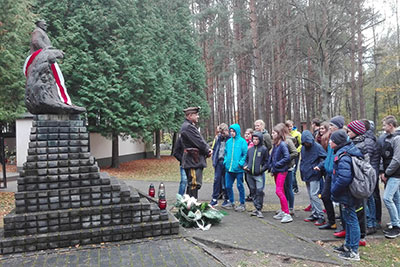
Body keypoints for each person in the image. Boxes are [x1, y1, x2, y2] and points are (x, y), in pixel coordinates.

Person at [330, 130, 363, 261]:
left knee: (351, 220)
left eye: (332, 140)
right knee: (348, 219)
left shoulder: (344, 155)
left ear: (337, 142)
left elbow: (344, 178)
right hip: (346, 193)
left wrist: (334, 190)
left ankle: (354, 251)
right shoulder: (344, 152)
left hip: (347, 193)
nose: (330, 142)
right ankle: (348, 245)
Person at [347, 120, 377, 242]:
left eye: (349, 131)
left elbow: (364, 164)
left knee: (366, 203)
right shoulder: (354, 143)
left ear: (356, 132)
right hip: (360, 178)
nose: (347, 133)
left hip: (363, 179)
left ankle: (369, 225)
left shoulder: (362, 144)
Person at [317, 115, 345, 231]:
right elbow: (329, 156)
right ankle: (331, 222)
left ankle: (344, 225)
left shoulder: (342, 138)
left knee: (341, 200)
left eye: (332, 125)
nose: (330, 127)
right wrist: (321, 165)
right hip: (329, 172)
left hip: (336, 172)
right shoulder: (331, 137)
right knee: (325, 196)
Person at [179, 107, 212, 199]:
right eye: (196, 114)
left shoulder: (188, 126)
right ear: (190, 115)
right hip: (193, 161)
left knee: (193, 185)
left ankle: (189, 206)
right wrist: (208, 150)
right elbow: (199, 142)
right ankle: (191, 208)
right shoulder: (188, 127)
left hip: (193, 160)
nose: (198, 116)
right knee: (193, 184)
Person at [378, 115, 400, 239]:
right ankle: (396, 221)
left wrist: (387, 173)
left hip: (395, 174)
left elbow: (397, 159)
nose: (383, 127)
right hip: (391, 173)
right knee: (396, 198)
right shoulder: (389, 138)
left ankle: (396, 226)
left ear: (391, 126)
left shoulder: (397, 138)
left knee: (387, 198)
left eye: (385, 125)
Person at [300, 130, 327, 226]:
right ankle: (314, 213)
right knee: (311, 195)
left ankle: (320, 216)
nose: (307, 144)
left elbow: (325, 158)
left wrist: (319, 166)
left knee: (314, 195)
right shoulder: (303, 148)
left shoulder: (317, 147)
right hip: (306, 173)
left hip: (314, 174)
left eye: (308, 142)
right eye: (305, 142)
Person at [269, 124, 292, 223]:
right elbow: (272, 156)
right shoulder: (275, 144)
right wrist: (271, 166)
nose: (272, 134)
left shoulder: (283, 144)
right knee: (280, 190)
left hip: (282, 171)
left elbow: (287, 157)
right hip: (276, 171)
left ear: (279, 134)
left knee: (278, 191)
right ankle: (283, 210)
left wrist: (277, 164)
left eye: (274, 133)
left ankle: (287, 213)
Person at [222, 124, 248, 211]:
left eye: (234, 131)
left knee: (240, 186)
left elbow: (245, 154)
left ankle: (242, 203)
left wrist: (240, 163)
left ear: (237, 132)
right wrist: (226, 161)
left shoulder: (242, 142)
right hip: (229, 168)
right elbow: (225, 153)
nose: (232, 133)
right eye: (231, 131)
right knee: (228, 186)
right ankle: (231, 201)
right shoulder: (229, 142)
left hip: (238, 169)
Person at [243, 132, 269, 218]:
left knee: (259, 191)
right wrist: (245, 166)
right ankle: (256, 207)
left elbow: (267, 162)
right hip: (249, 174)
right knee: (253, 191)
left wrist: (261, 169)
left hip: (259, 175)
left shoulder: (264, 149)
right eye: (254, 139)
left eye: (257, 139)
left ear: (260, 140)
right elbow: (246, 160)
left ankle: (259, 208)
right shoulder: (250, 150)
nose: (255, 141)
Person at [210, 123, 230, 207]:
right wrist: (214, 160)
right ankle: (214, 198)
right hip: (218, 162)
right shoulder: (218, 139)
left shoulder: (230, 139)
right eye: (220, 132)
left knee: (226, 181)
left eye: (223, 132)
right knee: (216, 180)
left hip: (226, 163)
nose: (222, 134)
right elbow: (214, 149)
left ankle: (227, 198)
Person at [281, 123, 299, 215]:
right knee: (283, 188)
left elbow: (295, 152)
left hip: (288, 167)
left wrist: (286, 158)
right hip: (281, 168)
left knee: (288, 188)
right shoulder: (280, 140)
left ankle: (291, 208)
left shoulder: (288, 141)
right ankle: (284, 207)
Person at [285, 120, 302, 194]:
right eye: (288, 127)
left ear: (293, 126)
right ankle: (290, 187)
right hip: (288, 154)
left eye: (290, 126)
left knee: (294, 171)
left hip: (295, 154)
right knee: (289, 171)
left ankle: (295, 188)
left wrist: (297, 150)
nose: (289, 128)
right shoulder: (285, 134)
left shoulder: (297, 134)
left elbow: (302, 143)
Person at [244, 128, 255, 202]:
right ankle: (251, 193)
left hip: (251, 164)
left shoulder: (253, 143)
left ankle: (254, 194)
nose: (247, 135)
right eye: (246, 134)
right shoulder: (244, 142)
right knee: (247, 179)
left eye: (248, 134)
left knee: (251, 180)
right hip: (244, 163)